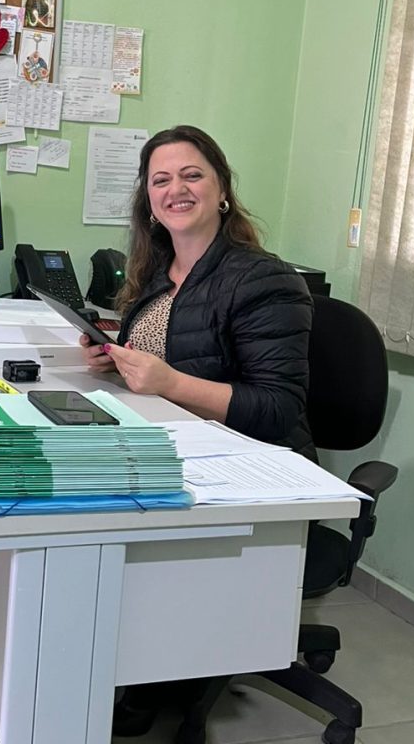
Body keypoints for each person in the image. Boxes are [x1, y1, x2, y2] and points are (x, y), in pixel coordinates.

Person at [80, 125, 313, 736]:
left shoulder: (263, 279)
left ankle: (153, 667)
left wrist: (164, 382)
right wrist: (117, 352)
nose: (176, 189)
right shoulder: (159, 273)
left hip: (249, 470)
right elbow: (166, 354)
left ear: (222, 190)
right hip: (173, 449)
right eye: (161, 180)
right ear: (147, 201)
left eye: (192, 175)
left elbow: (276, 410)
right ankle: (120, 657)